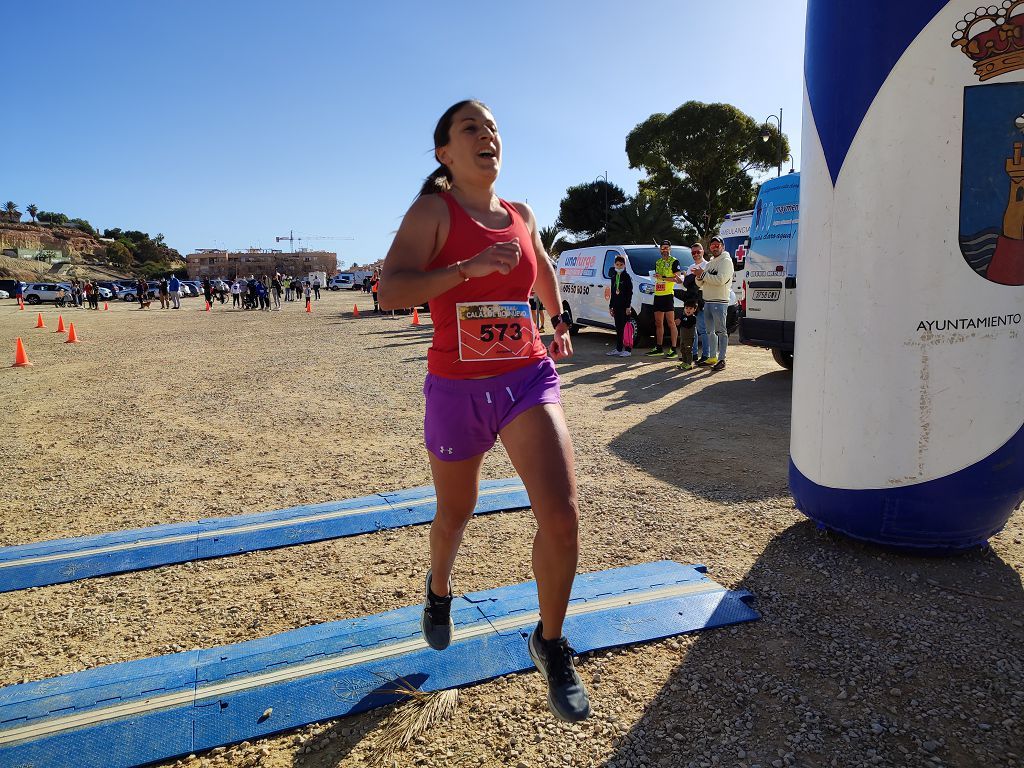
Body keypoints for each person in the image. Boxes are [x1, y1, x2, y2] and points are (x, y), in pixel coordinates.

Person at [379, 100, 590, 723]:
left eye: (493, 126)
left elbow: (543, 270)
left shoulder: (521, 214)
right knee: (456, 511)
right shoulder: (433, 212)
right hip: (457, 389)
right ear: (446, 153)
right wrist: (465, 268)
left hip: (526, 377)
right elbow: (391, 289)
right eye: (471, 127)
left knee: (562, 516)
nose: (486, 135)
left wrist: (559, 320)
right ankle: (438, 589)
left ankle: (549, 643)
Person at [694, 235, 734, 372]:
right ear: (709, 248)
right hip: (708, 301)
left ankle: (722, 359)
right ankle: (712, 357)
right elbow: (700, 283)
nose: (715, 247)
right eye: (712, 245)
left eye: (717, 245)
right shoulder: (711, 262)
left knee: (721, 331)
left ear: (722, 246)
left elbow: (720, 280)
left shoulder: (726, 261)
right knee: (710, 331)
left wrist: (703, 275)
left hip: (720, 301)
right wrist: (699, 276)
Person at [646, 240, 682, 358]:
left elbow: (678, 279)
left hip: (668, 295)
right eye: (662, 248)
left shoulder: (674, 261)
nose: (664, 250)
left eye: (666, 248)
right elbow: (657, 277)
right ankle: (659, 347)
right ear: (660, 249)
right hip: (658, 295)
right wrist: (655, 277)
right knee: (658, 323)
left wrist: (664, 277)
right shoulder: (658, 262)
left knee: (671, 323)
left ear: (670, 249)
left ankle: (673, 349)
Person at [684, 243, 709, 363]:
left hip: (702, 300)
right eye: (693, 253)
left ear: (703, 252)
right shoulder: (691, 267)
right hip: (691, 300)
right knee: (692, 329)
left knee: (703, 329)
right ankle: (692, 355)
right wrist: (695, 276)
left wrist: (693, 278)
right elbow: (686, 283)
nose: (696, 254)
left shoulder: (707, 265)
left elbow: (703, 282)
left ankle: (706, 355)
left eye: (698, 252)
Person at [607, 254, 634, 357]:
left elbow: (629, 293)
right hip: (616, 306)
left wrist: (628, 306)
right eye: (617, 264)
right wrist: (611, 306)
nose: (619, 267)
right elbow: (613, 293)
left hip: (625, 307)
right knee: (618, 328)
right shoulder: (614, 276)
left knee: (626, 328)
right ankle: (618, 348)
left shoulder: (626, 277)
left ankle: (628, 349)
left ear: (624, 265)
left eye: (621, 264)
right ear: (614, 265)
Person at [675, 300, 700, 370]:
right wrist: (677, 322)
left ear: (694, 309)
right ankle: (684, 362)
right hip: (683, 337)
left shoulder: (693, 318)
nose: (688, 310)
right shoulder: (683, 316)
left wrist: (681, 322)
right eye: (686, 308)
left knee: (688, 350)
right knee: (683, 350)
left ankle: (689, 364)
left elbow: (688, 325)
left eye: (690, 308)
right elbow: (680, 322)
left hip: (689, 337)